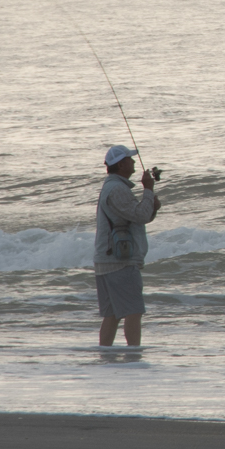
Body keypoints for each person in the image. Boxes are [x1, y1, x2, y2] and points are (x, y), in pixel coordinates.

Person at [94, 145, 162, 346]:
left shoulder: (113, 187)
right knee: (133, 311)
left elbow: (135, 216)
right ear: (121, 164)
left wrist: (151, 206)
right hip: (119, 262)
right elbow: (140, 215)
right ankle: (134, 354)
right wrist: (148, 189)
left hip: (107, 260)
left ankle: (105, 353)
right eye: (130, 160)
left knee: (113, 315)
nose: (134, 162)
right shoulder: (117, 189)